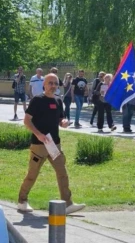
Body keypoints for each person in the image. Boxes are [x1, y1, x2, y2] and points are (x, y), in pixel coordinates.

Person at [18, 73, 85, 214]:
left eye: (55, 83)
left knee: (62, 173)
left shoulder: (58, 101)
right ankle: (22, 201)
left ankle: (67, 204)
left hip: (54, 145)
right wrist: (39, 135)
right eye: (50, 83)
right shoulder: (37, 100)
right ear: (44, 84)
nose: (53, 86)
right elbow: (27, 121)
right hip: (39, 145)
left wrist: (64, 123)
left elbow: (60, 119)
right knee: (32, 174)